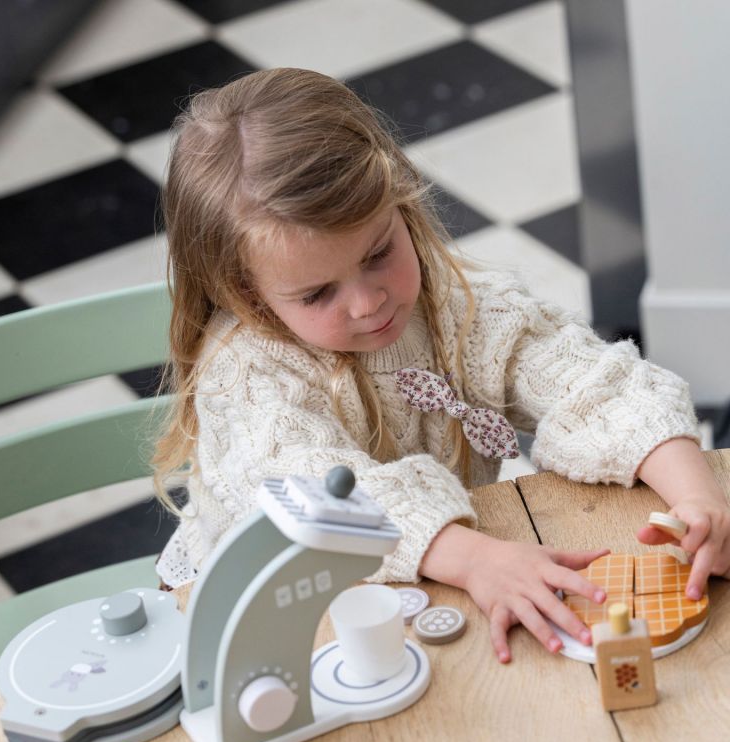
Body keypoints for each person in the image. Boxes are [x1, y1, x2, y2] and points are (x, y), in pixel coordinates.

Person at [151, 67, 730, 663]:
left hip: (425, 583)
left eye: (379, 253)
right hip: (259, 616)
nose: (367, 300)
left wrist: (697, 496)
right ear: (248, 294)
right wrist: (477, 557)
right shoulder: (244, 374)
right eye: (317, 293)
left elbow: (592, 381)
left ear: (401, 200)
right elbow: (311, 503)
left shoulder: (454, 305)